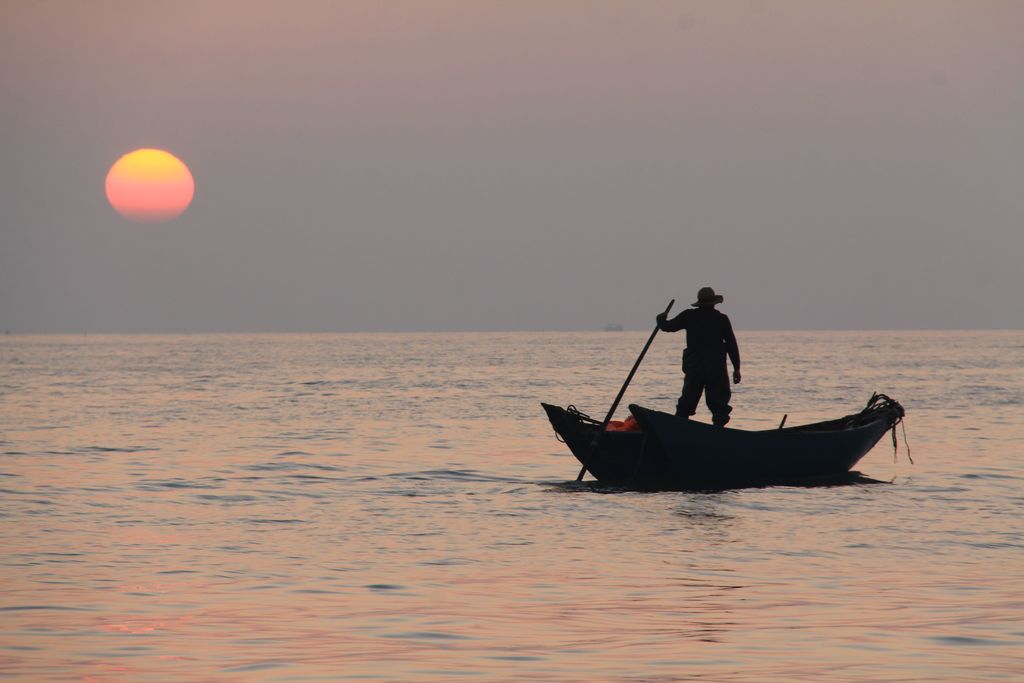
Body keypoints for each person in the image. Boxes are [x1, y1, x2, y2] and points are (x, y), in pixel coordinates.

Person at [656, 286, 741, 426]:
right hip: (715, 368)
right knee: (719, 405)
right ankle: (718, 430)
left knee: (686, 403)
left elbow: (667, 327)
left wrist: (660, 319)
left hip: (695, 367)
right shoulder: (721, 319)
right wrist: (736, 368)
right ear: (714, 302)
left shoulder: (689, 316)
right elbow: (732, 344)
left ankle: (679, 428)